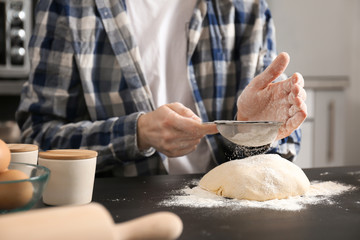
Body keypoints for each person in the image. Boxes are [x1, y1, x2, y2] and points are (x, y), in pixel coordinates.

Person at [16, 0, 307, 177]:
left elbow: (275, 153)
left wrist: (251, 130)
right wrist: (137, 134)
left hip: (224, 211)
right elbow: (37, 139)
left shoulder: (247, 9)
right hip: (116, 215)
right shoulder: (69, 7)